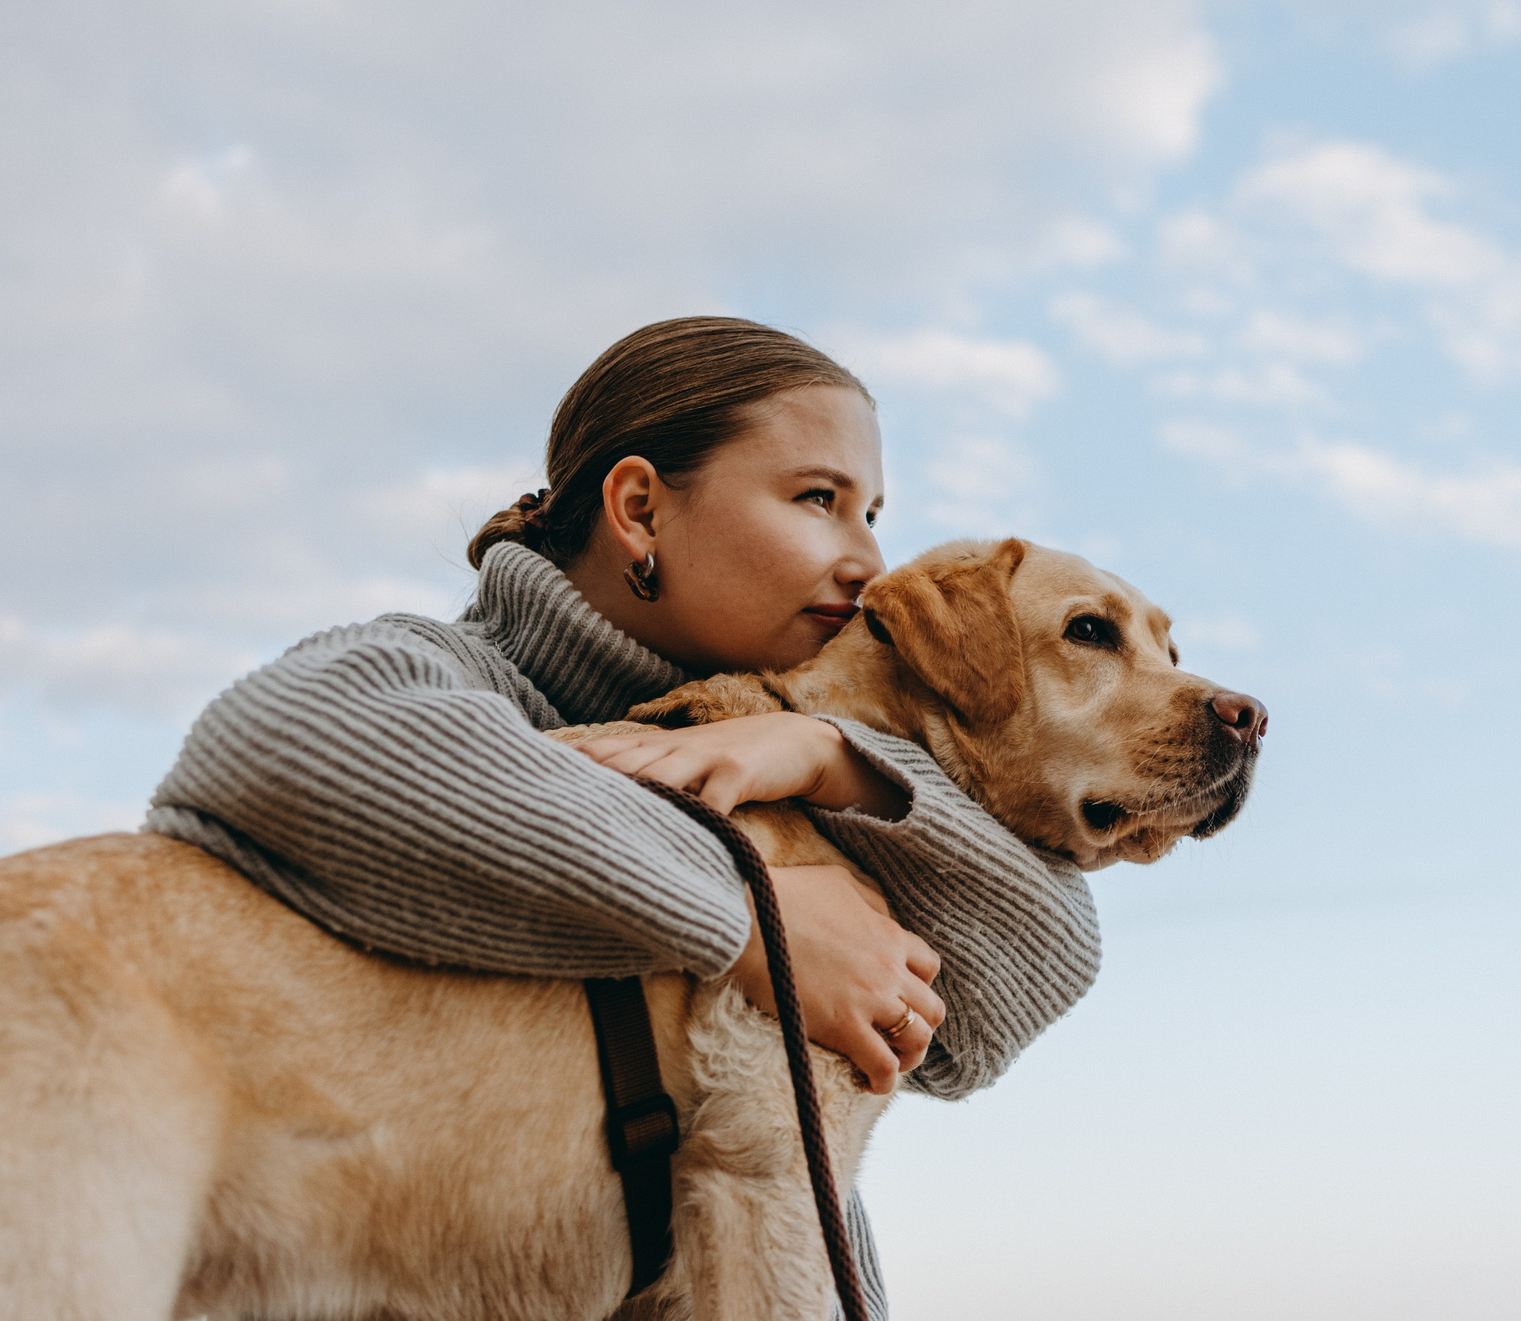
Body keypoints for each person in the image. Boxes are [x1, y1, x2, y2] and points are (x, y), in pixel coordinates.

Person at [146, 316, 1101, 1315]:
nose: (867, 560)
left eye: (872, 512)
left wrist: (834, 766)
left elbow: (1031, 971)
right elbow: (281, 743)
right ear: (639, 509)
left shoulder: (812, 757)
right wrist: (750, 918)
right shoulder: (455, 676)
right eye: (819, 499)